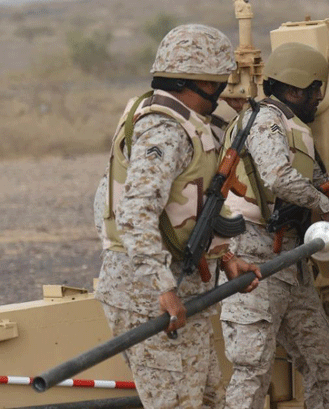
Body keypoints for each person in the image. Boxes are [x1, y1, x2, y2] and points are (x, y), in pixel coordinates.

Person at [219, 42, 329, 409]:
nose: (320, 96)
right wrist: (320, 203)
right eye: (315, 88)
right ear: (293, 88)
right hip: (252, 257)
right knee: (252, 371)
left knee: (322, 364)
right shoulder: (266, 119)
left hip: (290, 262)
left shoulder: (295, 132)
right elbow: (278, 178)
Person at [93, 24, 261, 409]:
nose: (222, 90)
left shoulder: (185, 123)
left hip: (182, 287)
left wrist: (227, 257)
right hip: (148, 295)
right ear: (199, 81)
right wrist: (162, 288)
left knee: (207, 398)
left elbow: (191, 208)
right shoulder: (164, 130)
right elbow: (133, 214)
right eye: (218, 81)